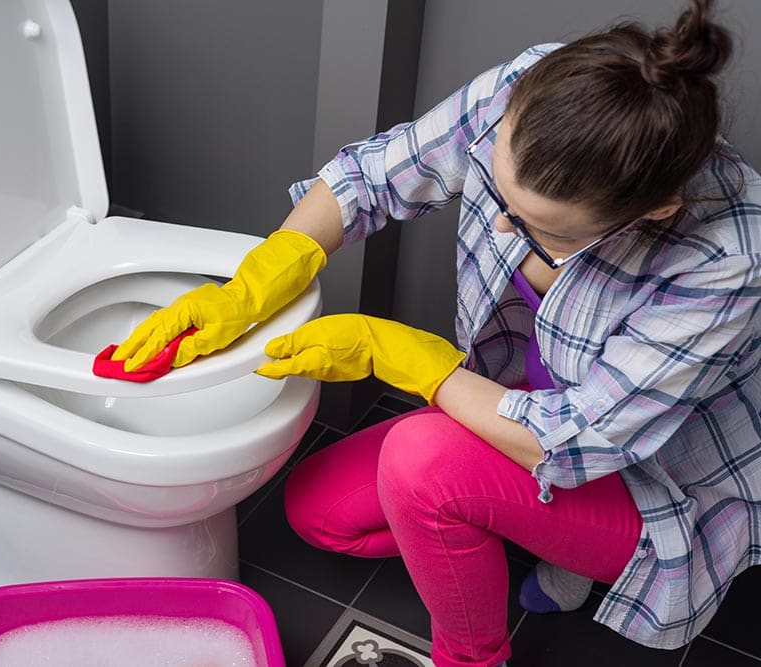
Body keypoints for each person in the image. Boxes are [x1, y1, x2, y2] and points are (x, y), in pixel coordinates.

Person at [113, 1, 761, 665]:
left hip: (646, 478)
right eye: (500, 195)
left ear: (653, 211)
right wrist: (255, 281)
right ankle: (527, 531)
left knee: (422, 463)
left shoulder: (727, 258)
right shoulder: (532, 90)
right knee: (319, 510)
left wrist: (406, 357)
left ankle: (474, 656)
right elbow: (370, 177)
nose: (504, 228)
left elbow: (578, 440)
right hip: (518, 404)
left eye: (546, 228)